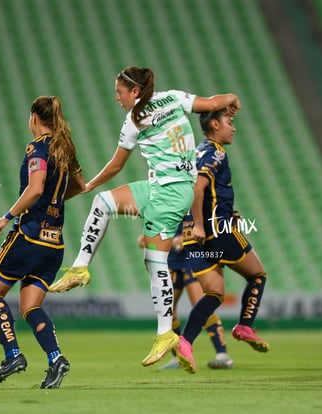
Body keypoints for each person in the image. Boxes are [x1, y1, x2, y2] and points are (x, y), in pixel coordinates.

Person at [49, 66, 241, 367]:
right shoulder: (174, 98)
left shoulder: (134, 120)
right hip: (158, 186)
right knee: (104, 203)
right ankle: (80, 269)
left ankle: (165, 333)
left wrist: (87, 184)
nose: (117, 97)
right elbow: (213, 102)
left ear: (135, 92)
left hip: (171, 193)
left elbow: (115, 166)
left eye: (120, 92)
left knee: (155, 262)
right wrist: (231, 97)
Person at [0, 96, 85, 388]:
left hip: (29, 236)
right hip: (54, 244)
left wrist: (6, 217)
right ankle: (56, 359)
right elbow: (81, 186)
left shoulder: (37, 147)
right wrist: (54, 203)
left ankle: (13, 354)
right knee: (30, 307)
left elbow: (36, 187)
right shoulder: (66, 149)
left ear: (34, 118)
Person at [175, 109, 270, 374]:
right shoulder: (215, 151)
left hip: (191, 239)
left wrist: (195, 224)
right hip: (218, 231)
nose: (233, 128)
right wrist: (202, 222)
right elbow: (198, 188)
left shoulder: (194, 152)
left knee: (214, 293)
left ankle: (185, 342)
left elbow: (194, 191)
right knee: (258, 275)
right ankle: (245, 326)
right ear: (215, 124)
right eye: (230, 122)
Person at [138, 218, 234, 370]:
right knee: (169, 310)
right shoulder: (167, 206)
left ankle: (222, 354)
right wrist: (147, 237)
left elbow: (200, 229)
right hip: (171, 261)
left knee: (201, 305)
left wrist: (180, 239)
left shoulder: (192, 204)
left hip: (192, 260)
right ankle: (177, 357)